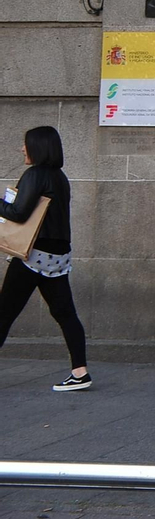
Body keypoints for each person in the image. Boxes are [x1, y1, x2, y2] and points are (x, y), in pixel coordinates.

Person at [0, 126, 90, 391]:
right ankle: (80, 372)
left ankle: (80, 373)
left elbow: (18, 213)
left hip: (33, 255)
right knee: (65, 314)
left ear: (37, 147)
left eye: (25, 144)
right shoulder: (60, 178)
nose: (22, 149)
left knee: (4, 313)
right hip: (57, 257)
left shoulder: (35, 174)